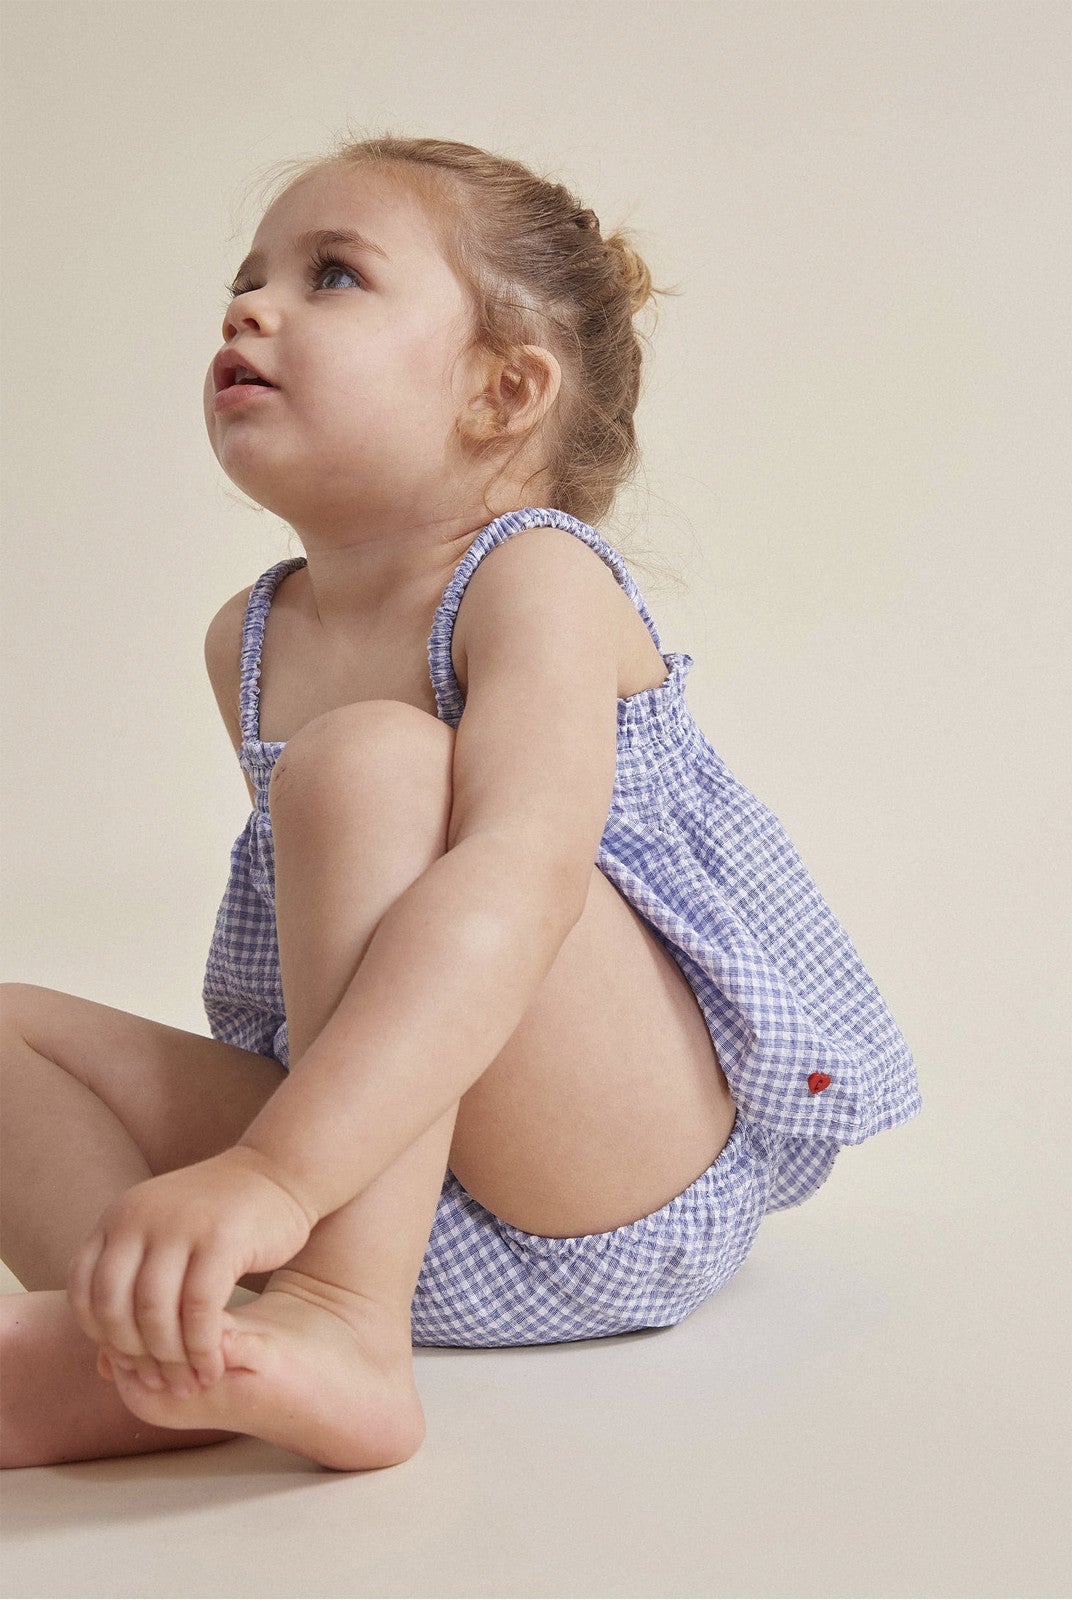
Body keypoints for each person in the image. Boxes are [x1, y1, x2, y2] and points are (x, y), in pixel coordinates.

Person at [0, 134, 921, 1472]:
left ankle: (340, 1325)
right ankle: (142, 1338)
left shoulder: (538, 578)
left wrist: (276, 1177)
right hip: (383, 1171)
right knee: (7, 1037)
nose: (248, 307)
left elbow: (521, 880)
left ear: (501, 391)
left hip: (603, 1183)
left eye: (331, 276)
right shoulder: (248, 640)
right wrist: (285, 1176)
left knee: (367, 758)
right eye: (247, 279)